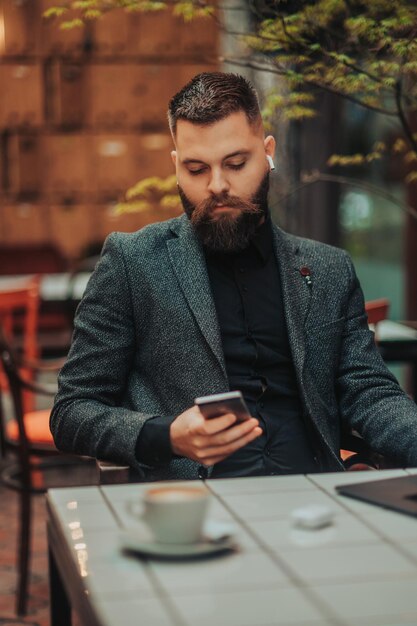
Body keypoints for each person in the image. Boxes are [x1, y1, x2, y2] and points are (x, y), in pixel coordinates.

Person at [50, 72, 417, 480]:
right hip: (195, 511)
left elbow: (370, 392)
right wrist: (166, 435)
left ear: (268, 153)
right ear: (175, 167)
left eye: (236, 164)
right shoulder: (133, 261)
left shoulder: (329, 269)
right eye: (196, 169)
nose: (217, 185)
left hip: (315, 498)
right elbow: (72, 411)